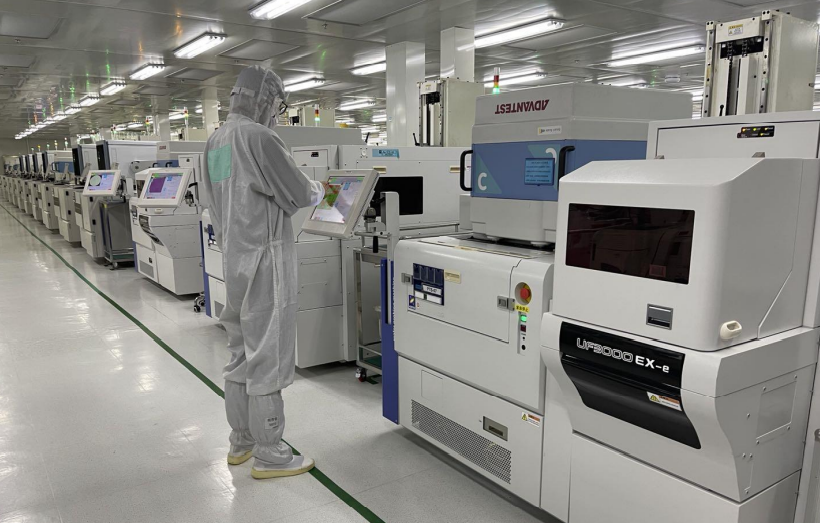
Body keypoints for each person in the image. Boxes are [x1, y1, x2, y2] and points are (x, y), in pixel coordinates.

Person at [201, 65, 325, 479]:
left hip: (235, 259)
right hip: (266, 262)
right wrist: (323, 189)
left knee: (240, 353)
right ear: (267, 100)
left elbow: (218, 200)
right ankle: (271, 451)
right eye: (276, 104)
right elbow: (298, 192)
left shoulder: (215, 141)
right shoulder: (259, 137)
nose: (275, 113)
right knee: (267, 355)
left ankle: (241, 441)